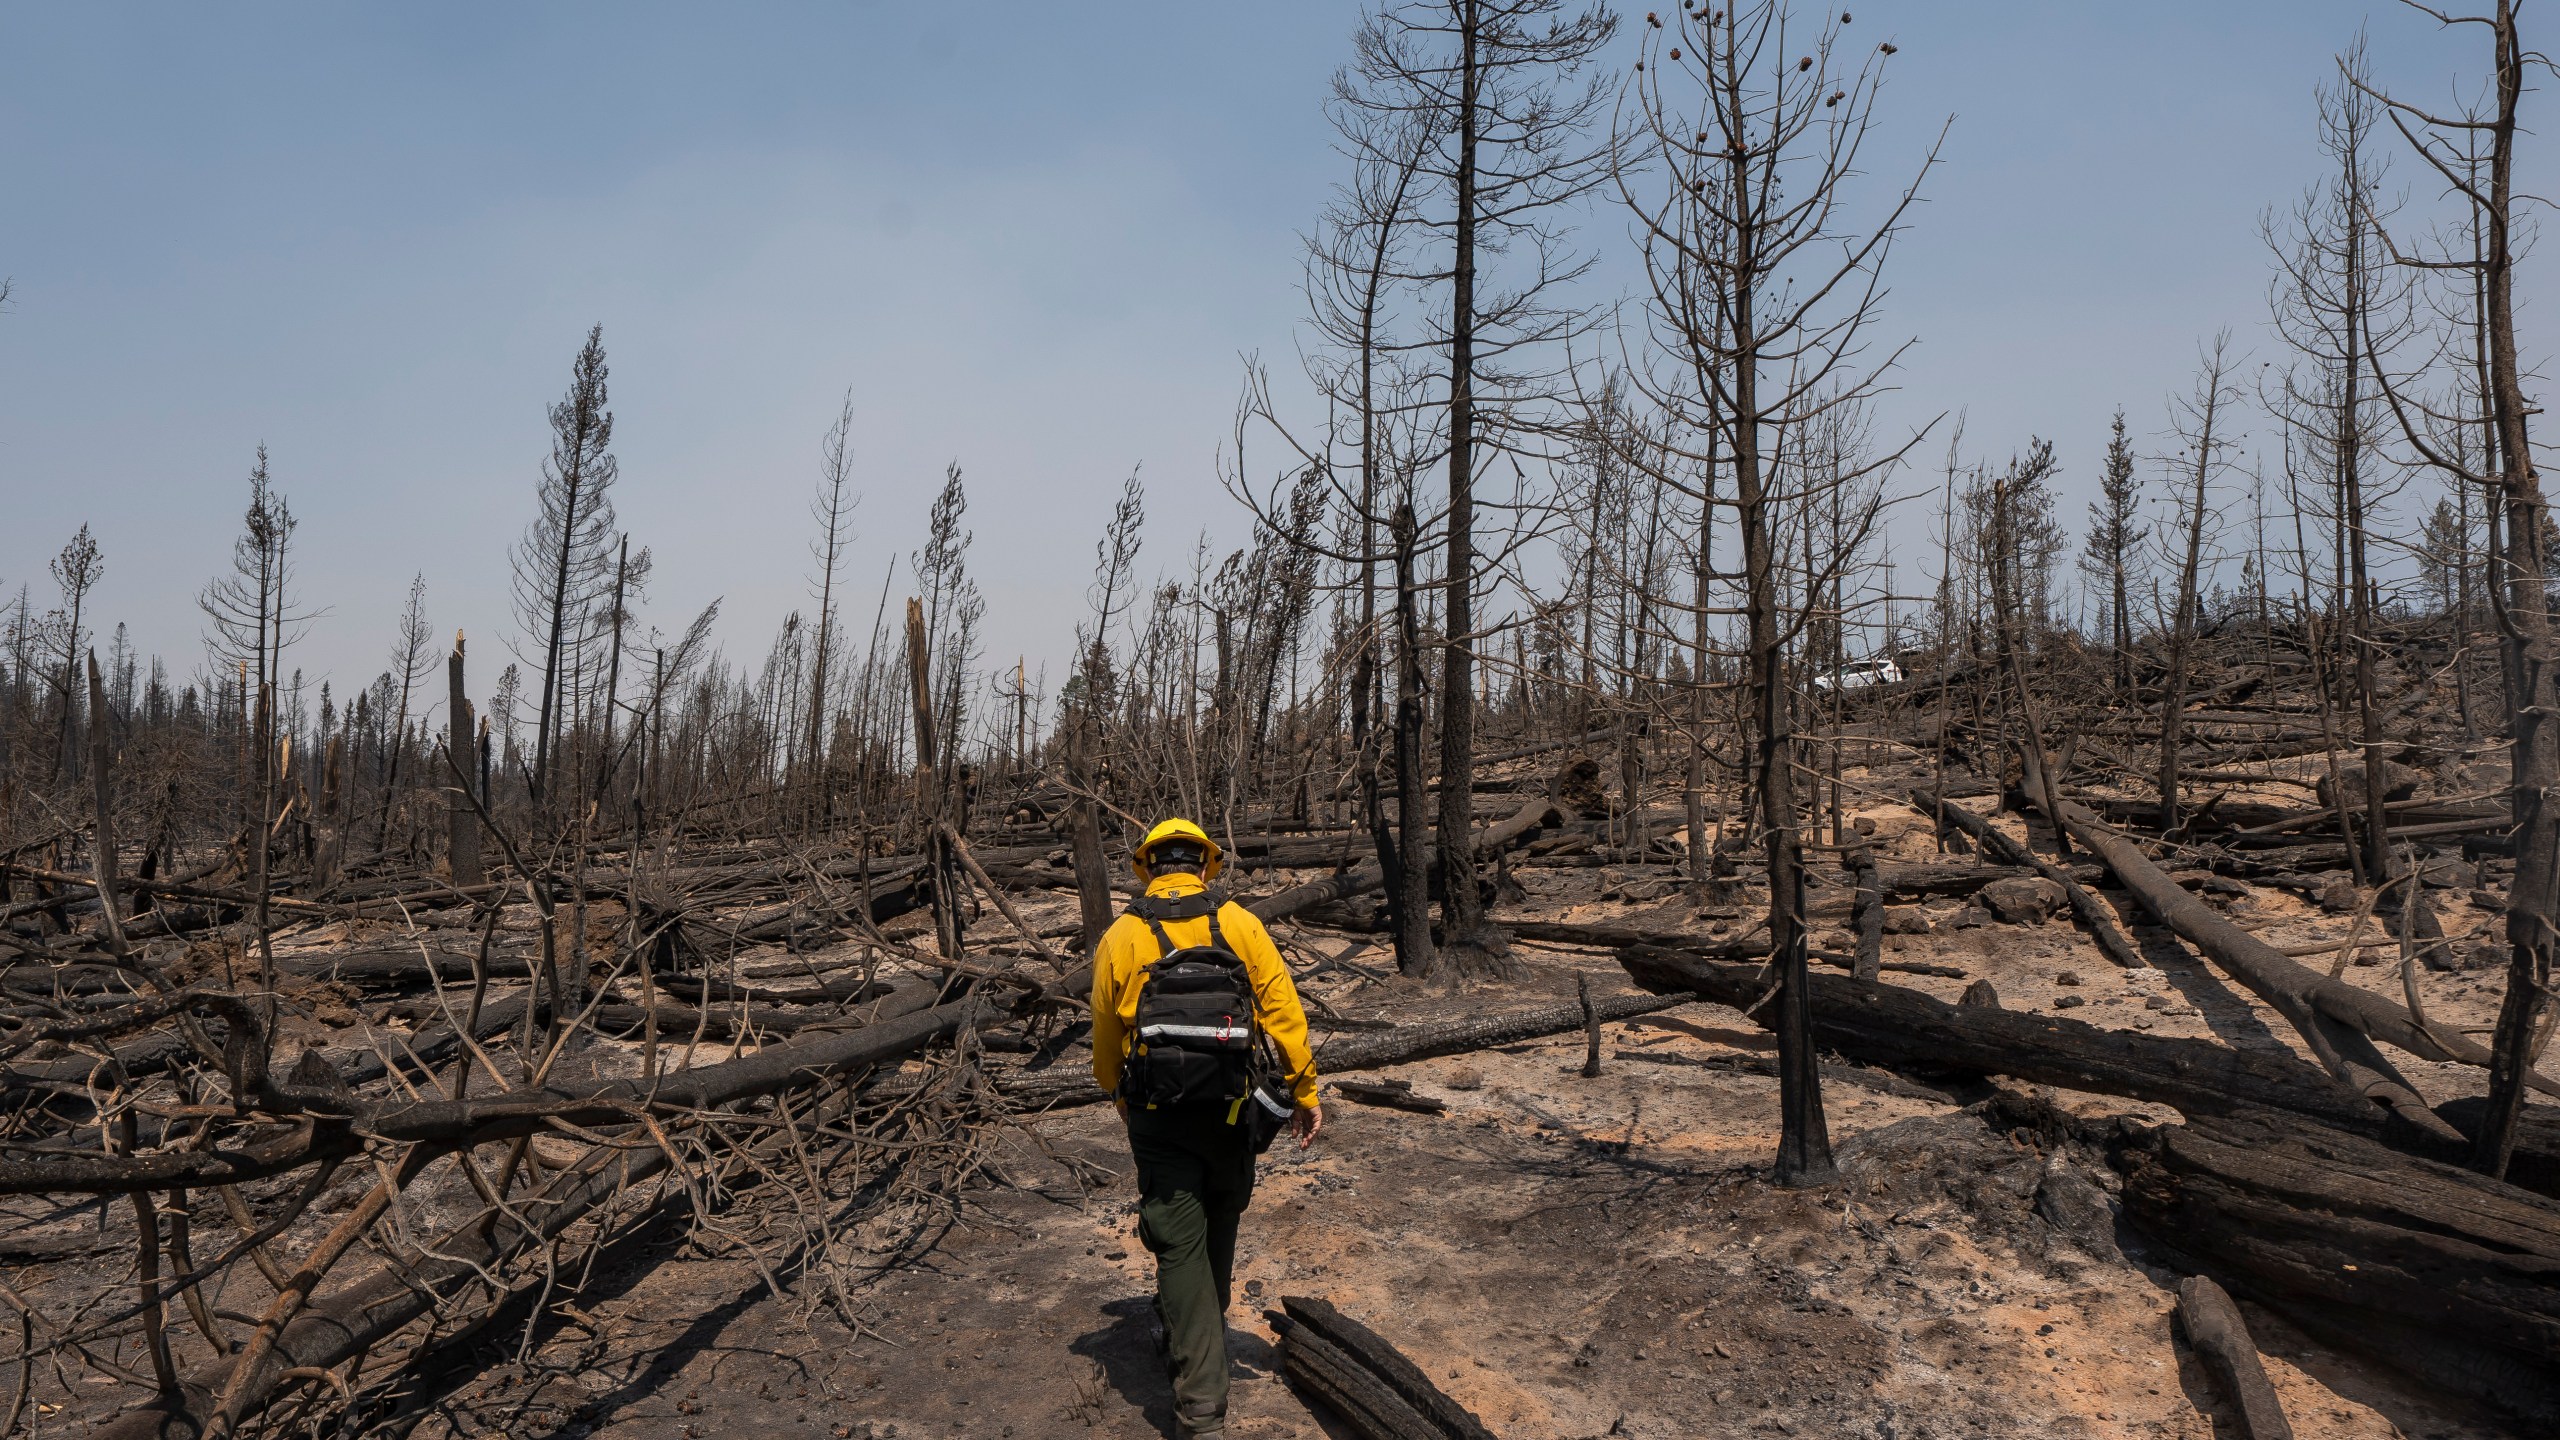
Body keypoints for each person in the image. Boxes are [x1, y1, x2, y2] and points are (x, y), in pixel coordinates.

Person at [1090, 817, 1322, 1438]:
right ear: (1203, 864)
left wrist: (1123, 1103)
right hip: (1231, 1108)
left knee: (1178, 1238)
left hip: (1158, 1114)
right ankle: (1200, 1336)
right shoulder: (1241, 924)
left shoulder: (1123, 935)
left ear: (1149, 866)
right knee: (1220, 1216)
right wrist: (1304, 1090)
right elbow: (1282, 1009)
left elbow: (1106, 1043)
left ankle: (1200, 1404)